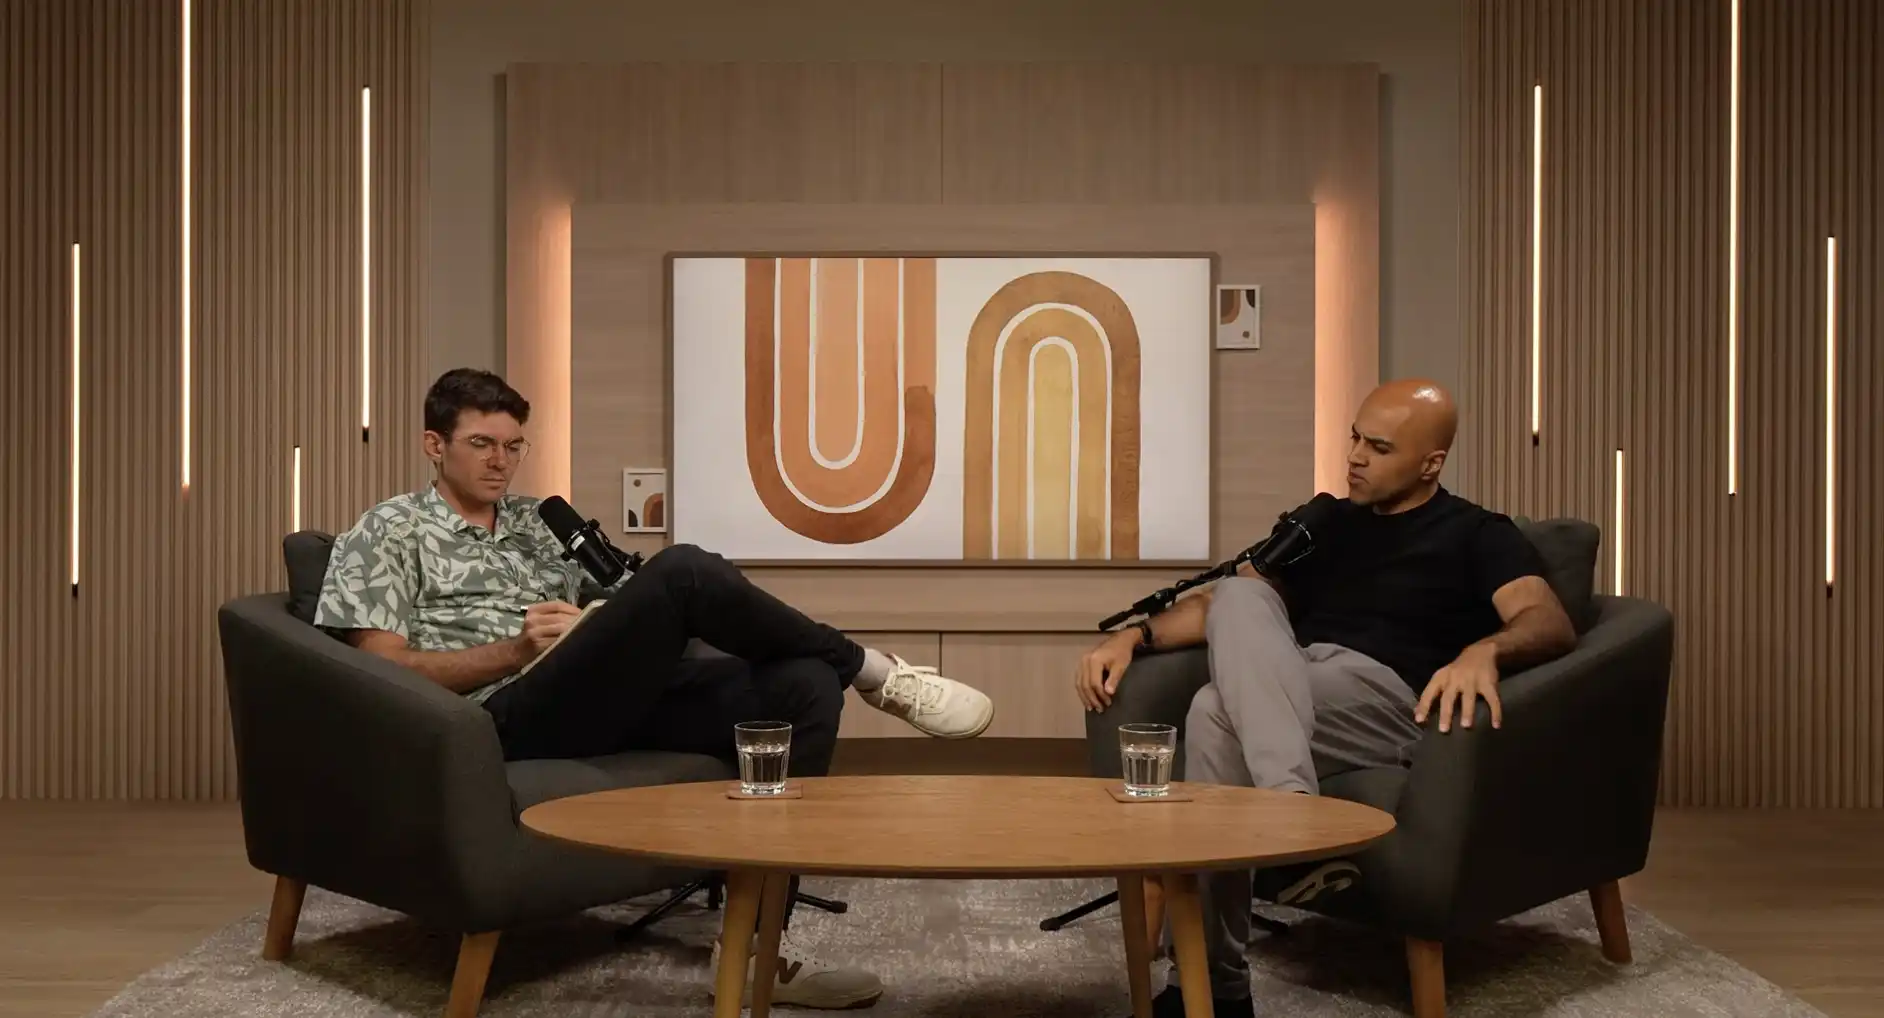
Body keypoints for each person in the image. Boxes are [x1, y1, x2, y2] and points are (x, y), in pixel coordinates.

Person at [315, 367, 997, 1011]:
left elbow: (625, 604)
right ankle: (875, 672)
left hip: (595, 694)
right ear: (435, 445)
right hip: (498, 713)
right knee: (684, 570)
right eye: (481, 444)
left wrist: (599, 621)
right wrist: (515, 650)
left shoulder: (537, 522)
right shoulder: (387, 530)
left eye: (514, 446)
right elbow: (384, 670)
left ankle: (758, 953)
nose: (501, 461)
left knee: (804, 685)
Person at [1073, 379, 1578, 1018]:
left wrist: (1486, 651)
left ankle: (1208, 985)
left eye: (1380, 448)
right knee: (1236, 609)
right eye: (1356, 439)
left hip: (1385, 696)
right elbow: (1226, 609)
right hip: (1292, 680)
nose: (1356, 457)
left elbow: (1547, 620)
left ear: (1431, 463)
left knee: (1213, 712)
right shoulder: (1328, 524)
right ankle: (1290, 820)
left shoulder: (1477, 533)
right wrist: (1135, 636)